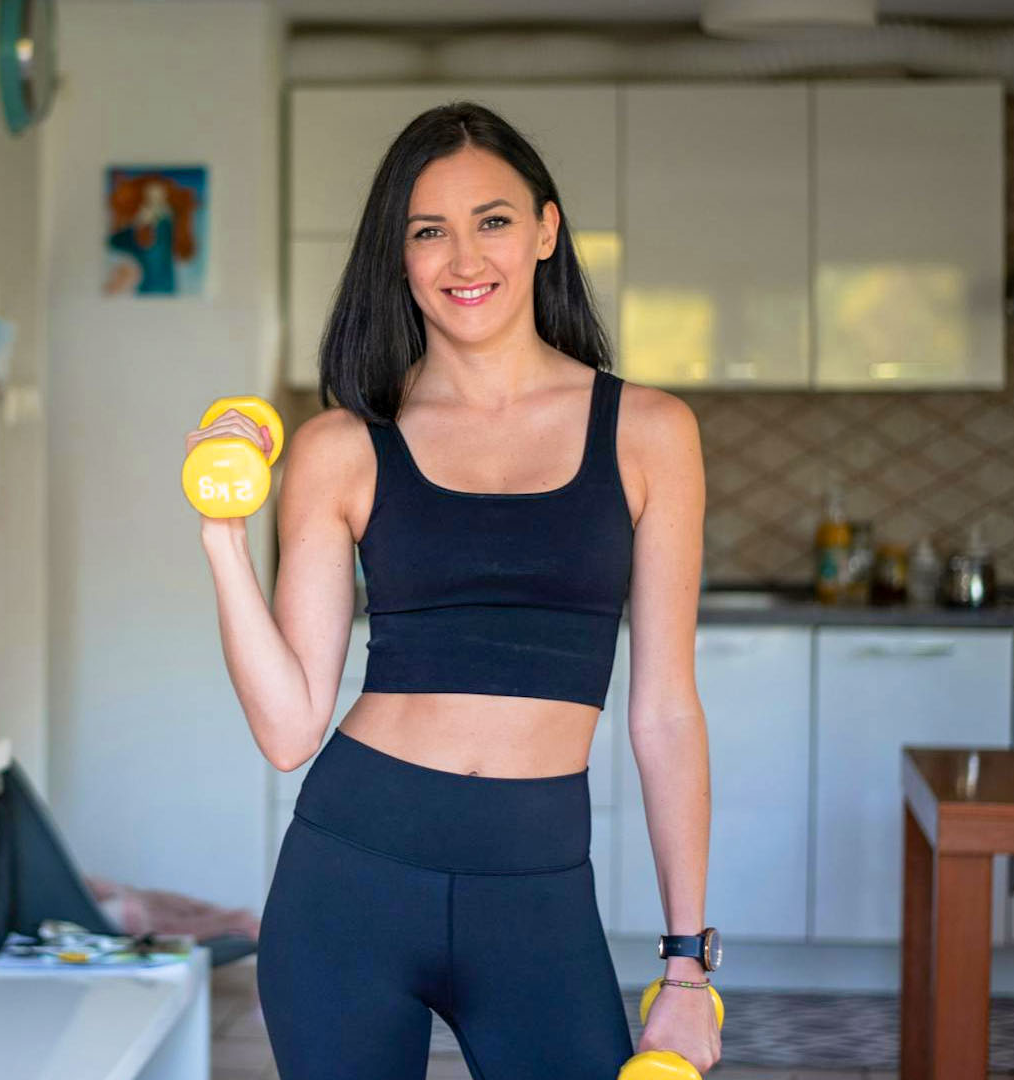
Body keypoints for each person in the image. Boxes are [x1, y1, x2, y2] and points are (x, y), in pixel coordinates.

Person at [185, 101, 716, 1078]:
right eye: (428, 231)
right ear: (399, 255)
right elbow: (289, 729)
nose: (463, 257)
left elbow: (666, 713)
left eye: (493, 220)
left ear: (547, 229)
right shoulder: (343, 446)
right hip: (351, 876)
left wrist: (688, 967)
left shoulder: (649, 434)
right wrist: (222, 536)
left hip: (538, 891)